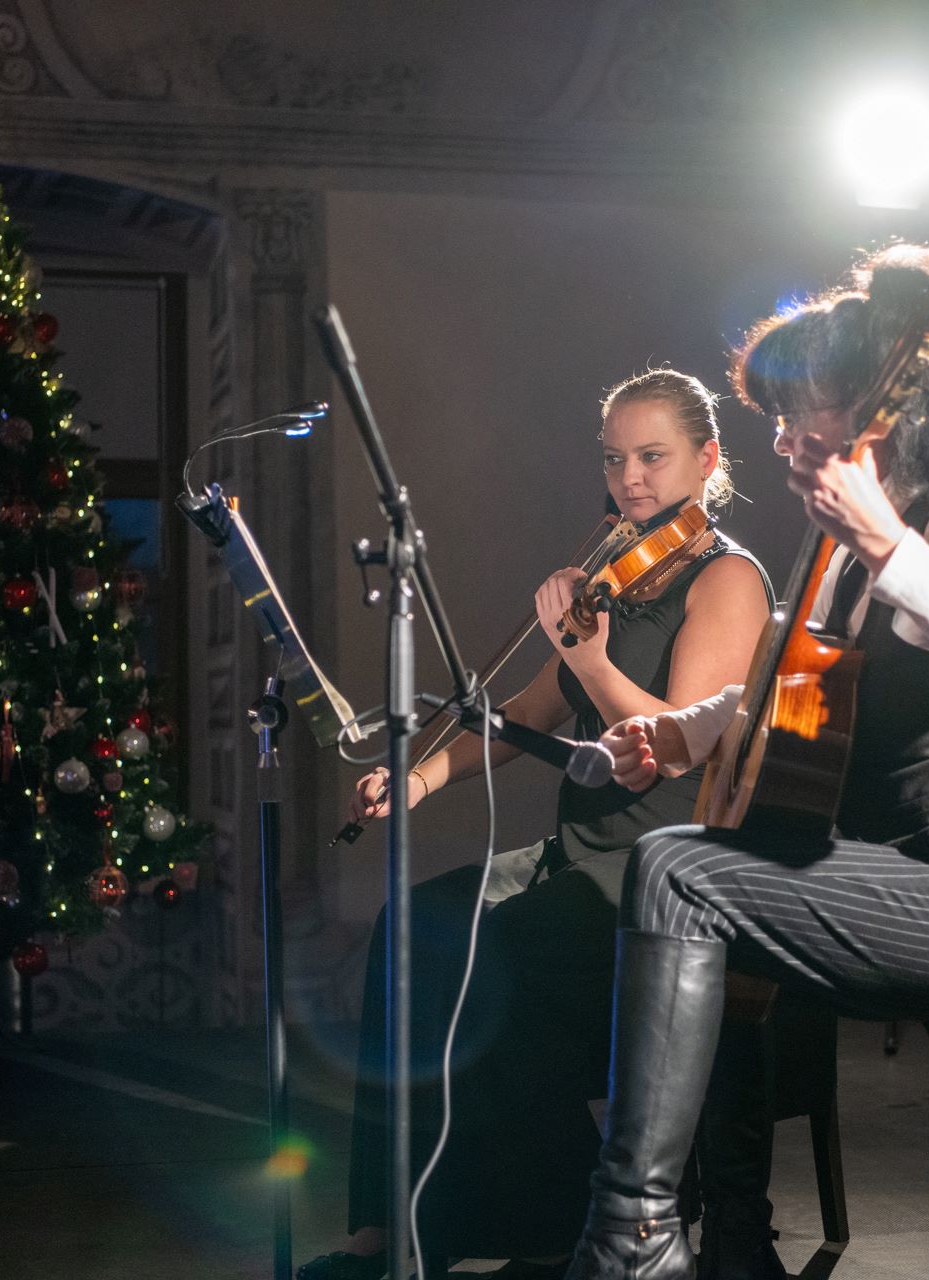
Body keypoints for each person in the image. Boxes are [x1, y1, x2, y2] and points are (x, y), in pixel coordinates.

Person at [558, 244, 929, 1280]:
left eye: (797, 410)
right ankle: (727, 1240)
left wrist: (890, 544)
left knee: (680, 870)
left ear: (875, 408)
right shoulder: (844, 558)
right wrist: (684, 733)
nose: (780, 437)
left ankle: (630, 1239)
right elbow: (794, 695)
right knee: (716, 879)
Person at [301, 369, 772, 1280]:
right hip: (581, 850)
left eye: (652, 456)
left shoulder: (726, 580)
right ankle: (391, 1230)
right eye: (614, 459)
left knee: (498, 962)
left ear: (707, 459)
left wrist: (591, 661)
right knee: (413, 929)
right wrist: (421, 775)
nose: (630, 478)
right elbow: (521, 716)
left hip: (665, 867)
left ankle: (560, 1223)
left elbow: (671, 743)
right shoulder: (615, 579)